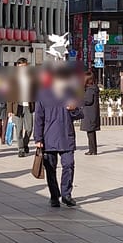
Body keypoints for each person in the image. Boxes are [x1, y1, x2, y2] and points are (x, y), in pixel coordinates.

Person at [33, 66, 83, 208]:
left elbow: (80, 113)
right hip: (48, 137)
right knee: (50, 168)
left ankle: (66, 194)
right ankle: (54, 195)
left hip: (66, 135)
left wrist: (74, 109)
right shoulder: (43, 95)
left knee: (68, 165)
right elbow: (38, 118)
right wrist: (38, 138)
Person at [13, 58, 36, 157]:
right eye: (20, 67)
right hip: (17, 106)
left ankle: (25, 143)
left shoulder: (31, 77)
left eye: (24, 66)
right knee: (18, 130)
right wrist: (10, 110)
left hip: (28, 106)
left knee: (29, 128)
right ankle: (21, 149)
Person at [80, 73, 101, 155]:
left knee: (90, 132)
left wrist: (80, 100)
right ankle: (93, 149)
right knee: (91, 133)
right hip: (92, 113)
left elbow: (88, 101)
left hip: (89, 114)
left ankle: (92, 150)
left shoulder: (90, 90)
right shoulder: (93, 89)